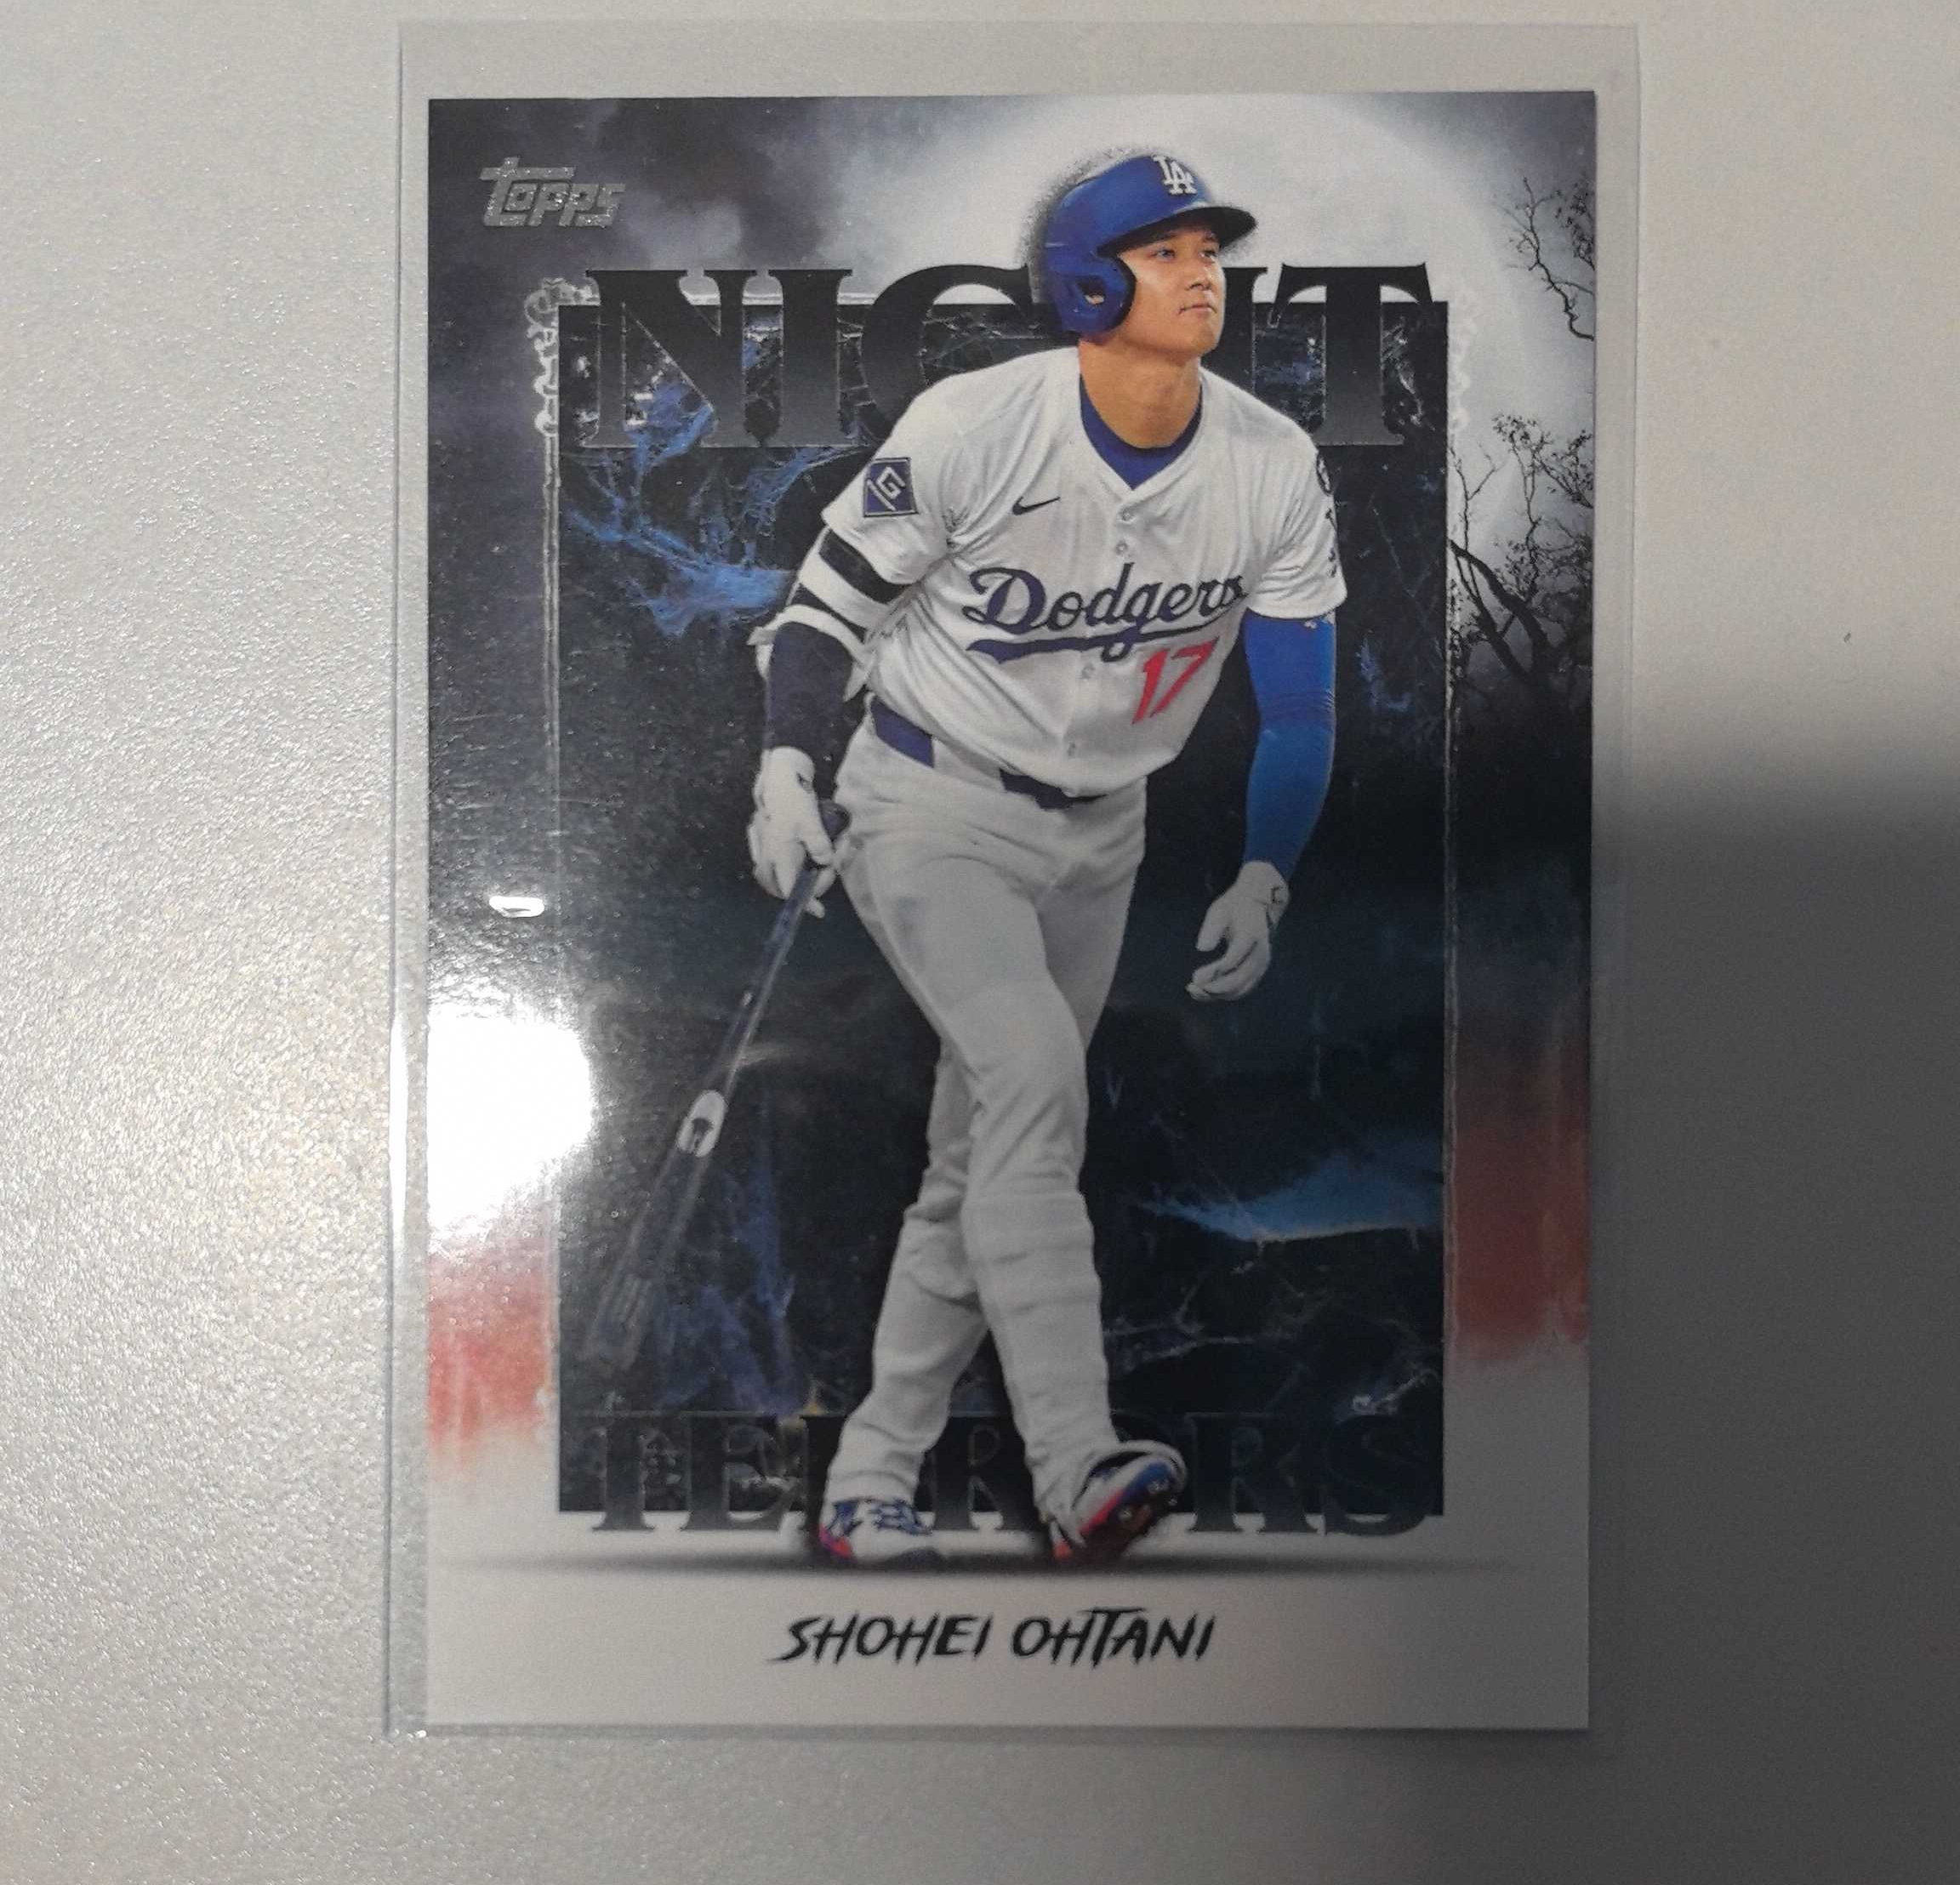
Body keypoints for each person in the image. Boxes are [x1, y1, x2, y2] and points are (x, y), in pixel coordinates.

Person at [746, 152, 1344, 1567]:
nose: (1201, 273)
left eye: (1209, 249)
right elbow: (825, 612)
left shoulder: (1269, 462)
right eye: (1162, 252)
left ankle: (868, 1483)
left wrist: (1266, 870)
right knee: (1030, 1082)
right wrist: (783, 767)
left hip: (1104, 831)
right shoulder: (978, 424)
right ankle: (1078, 1469)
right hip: (930, 798)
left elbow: (1303, 709)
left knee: (983, 1157)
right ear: (1084, 285)